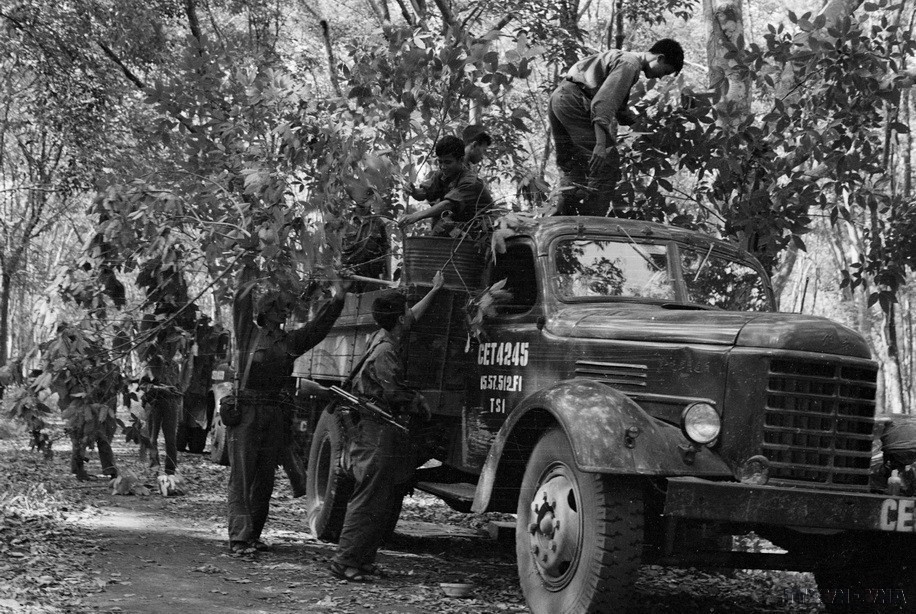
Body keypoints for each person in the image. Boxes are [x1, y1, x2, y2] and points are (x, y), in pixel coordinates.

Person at [227, 263, 351, 556]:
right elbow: (240, 302)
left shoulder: (289, 341)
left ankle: (253, 535)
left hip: (274, 415)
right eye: (280, 308)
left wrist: (339, 296)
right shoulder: (248, 334)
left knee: (264, 480)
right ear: (267, 311)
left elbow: (318, 329)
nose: (285, 313)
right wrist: (250, 265)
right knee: (242, 478)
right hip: (245, 414)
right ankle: (239, 538)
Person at [330, 271, 444, 582]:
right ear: (398, 318)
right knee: (368, 499)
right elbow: (394, 393)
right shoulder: (385, 352)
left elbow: (412, 316)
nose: (411, 313)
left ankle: (362, 561)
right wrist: (418, 400)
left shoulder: (384, 337)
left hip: (380, 430)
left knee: (378, 500)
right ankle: (345, 562)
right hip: (376, 432)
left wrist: (434, 291)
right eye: (406, 309)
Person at [549, 38, 684, 216]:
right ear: (659, 58)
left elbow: (619, 109)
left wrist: (645, 128)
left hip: (560, 98)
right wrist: (600, 143)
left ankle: (561, 219)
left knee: (573, 165)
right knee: (607, 161)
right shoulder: (630, 64)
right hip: (573, 101)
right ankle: (592, 224)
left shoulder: (624, 59)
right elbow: (603, 103)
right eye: (664, 71)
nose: (660, 77)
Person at [400, 135, 494, 239]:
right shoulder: (442, 175)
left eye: (448, 162)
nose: (443, 166)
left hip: (481, 231)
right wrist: (413, 190)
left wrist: (417, 216)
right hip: (461, 230)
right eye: (440, 162)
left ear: (460, 160)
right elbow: (424, 193)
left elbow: (448, 204)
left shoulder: (470, 181)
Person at [342, 184, 390, 288]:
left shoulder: (378, 222)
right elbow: (335, 249)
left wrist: (388, 277)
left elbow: (386, 250)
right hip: (348, 277)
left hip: (371, 278)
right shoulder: (345, 222)